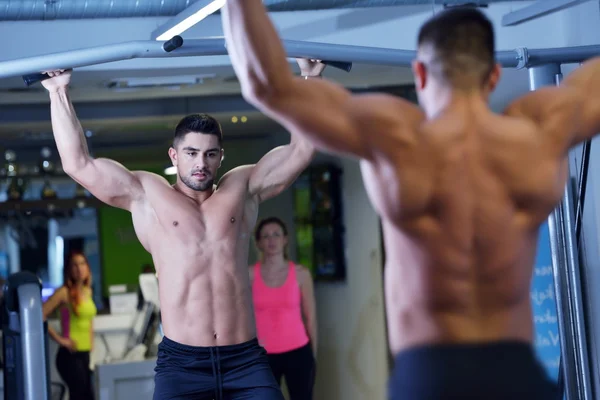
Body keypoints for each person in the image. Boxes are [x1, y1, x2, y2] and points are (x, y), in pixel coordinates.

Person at [221, 3, 600, 399]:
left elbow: (265, 85)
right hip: (515, 371)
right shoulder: (540, 132)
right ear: (494, 75)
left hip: (430, 374)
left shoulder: (397, 139)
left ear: (419, 73)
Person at [40, 60, 318, 400]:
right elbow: (78, 164)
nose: (200, 163)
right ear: (174, 155)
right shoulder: (147, 194)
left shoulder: (241, 189)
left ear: (220, 157)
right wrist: (58, 92)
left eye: (209, 154)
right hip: (182, 365)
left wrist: (310, 78)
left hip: (245, 360)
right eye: (191, 153)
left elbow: (301, 150)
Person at [250, 217, 317, 400]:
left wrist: (313, 355)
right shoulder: (249, 275)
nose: (272, 240)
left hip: (298, 352)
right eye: (266, 236)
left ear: (285, 239)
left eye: (276, 235)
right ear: (258, 243)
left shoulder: (302, 274)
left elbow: (310, 318)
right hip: (263, 356)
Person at [43, 251, 97, 400]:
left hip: (85, 354)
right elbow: (40, 314)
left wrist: (91, 343)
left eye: (82, 264)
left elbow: (89, 320)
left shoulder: (88, 291)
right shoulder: (64, 293)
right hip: (70, 356)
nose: (79, 268)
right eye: (75, 265)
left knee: (88, 395)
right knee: (80, 396)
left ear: (87, 268)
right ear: (69, 270)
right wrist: (61, 340)